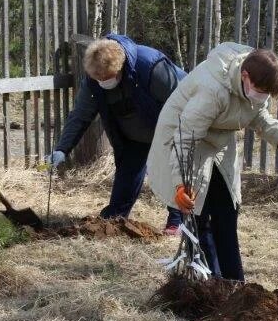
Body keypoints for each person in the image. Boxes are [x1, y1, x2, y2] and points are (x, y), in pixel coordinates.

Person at [147, 44, 278, 281]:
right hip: (185, 139)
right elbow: (185, 138)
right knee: (198, 213)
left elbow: (259, 116)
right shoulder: (212, 90)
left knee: (227, 211)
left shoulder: (255, 84)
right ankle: (211, 283)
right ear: (245, 76)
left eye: (266, 93)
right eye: (260, 90)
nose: (262, 96)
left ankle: (234, 283)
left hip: (219, 141)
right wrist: (180, 184)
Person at [48, 34, 187, 234]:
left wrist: (176, 139)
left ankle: (178, 221)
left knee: (172, 171)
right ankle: (115, 220)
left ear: (120, 67)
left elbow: (179, 103)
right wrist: (62, 149)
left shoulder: (151, 67)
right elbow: (80, 115)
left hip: (167, 128)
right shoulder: (94, 79)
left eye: (106, 77)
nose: (102, 82)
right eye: (98, 79)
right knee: (126, 174)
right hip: (132, 136)